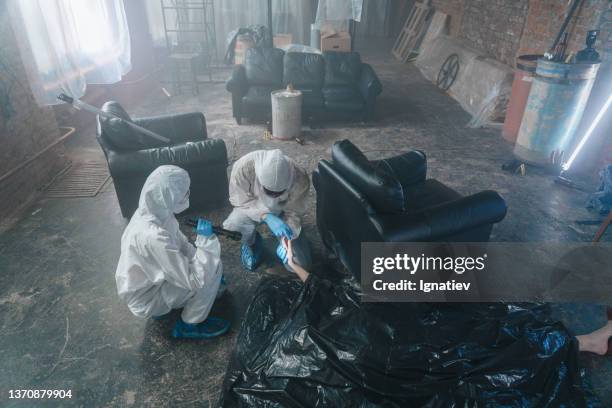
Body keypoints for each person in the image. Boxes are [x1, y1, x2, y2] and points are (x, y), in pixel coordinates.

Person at [115, 165, 230, 339]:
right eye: (184, 192)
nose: (187, 194)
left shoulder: (155, 212)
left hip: (148, 285)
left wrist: (198, 258)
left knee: (209, 271)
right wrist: (205, 245)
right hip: (147, 298)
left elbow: (180, 243)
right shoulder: (152, 236)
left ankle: (171, 304)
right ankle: (190, 325)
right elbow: (195, 280)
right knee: (210, 272)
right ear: (168, 196)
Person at [222, 149, 311, 272]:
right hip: (251, 207)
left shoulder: (300, 178)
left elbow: (295, 211)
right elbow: (239, 200)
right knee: (233, 228)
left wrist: (286, 239)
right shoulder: (243, 168)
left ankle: (286, 244)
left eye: (278, 193)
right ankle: (252, 243)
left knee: (298, 264)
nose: (273, 197)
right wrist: (266, 216)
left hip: (283, 212)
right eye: (268, 192)